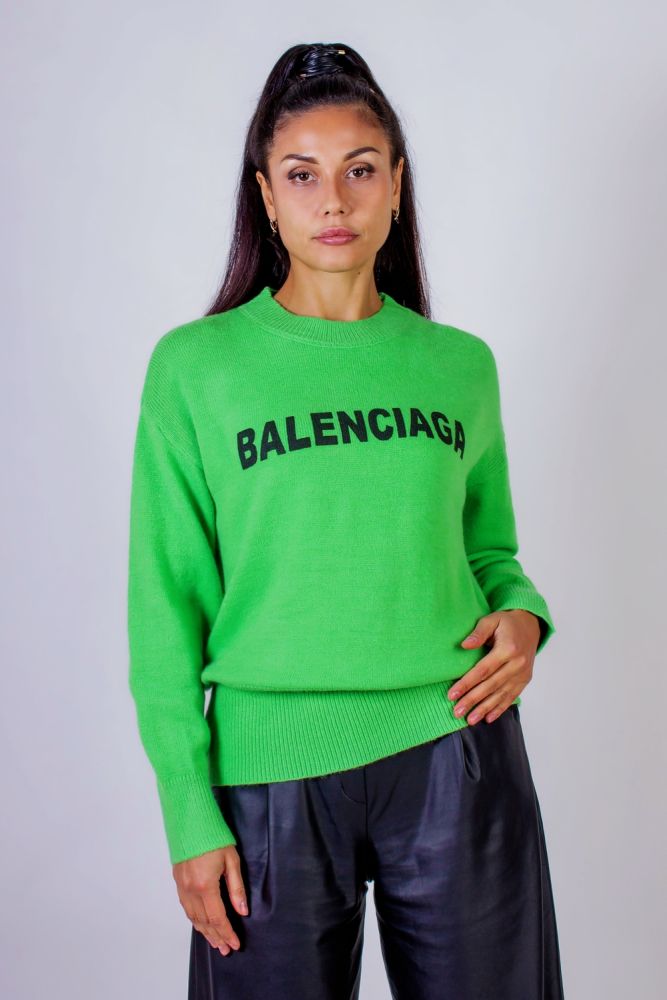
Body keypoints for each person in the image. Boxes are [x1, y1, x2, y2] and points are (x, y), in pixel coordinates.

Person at [127, 41, 565, 1000]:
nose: (334, 200)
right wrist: (188, 811)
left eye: (360, 170)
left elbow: (488, 551)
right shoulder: (196, 368)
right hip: (269, 775)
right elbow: (163, 608)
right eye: (302, 174)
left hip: (457, 745)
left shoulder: (457, 364)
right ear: (265, 195)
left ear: (396, 186)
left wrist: (524, 617)